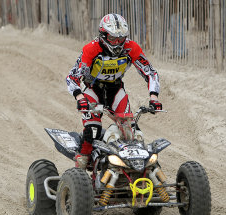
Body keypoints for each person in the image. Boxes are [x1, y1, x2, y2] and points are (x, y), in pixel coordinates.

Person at [66, 13, 162, 169]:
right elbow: (72, 77)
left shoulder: (131, 47)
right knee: (92, 131)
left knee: (131, 132)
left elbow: (150, 72)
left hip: (116, 90)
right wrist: (79, 97)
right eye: (113, 39)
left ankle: (133, 171)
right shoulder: (91, 49)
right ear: (103, 35)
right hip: (93, 91)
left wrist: (154, 97)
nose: (117, 43)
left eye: (121, 39)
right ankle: (80, 171)